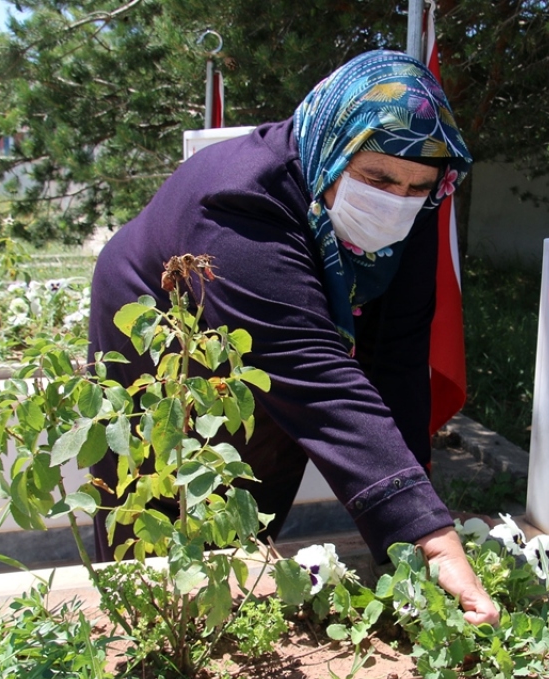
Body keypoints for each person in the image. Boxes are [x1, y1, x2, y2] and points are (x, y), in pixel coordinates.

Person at [89, 50, 498, 625]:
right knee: (154, 490)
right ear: (333, 150)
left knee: (261, 467)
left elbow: (398, 358)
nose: (394, 202)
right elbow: (313, 374)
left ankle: (230, 600)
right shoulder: (238, 205)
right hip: (152, 327)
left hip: (281, 343)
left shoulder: (415, 198)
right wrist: (430, 536)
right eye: (376, 178)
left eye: (415, 187)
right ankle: (152, 634)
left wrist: (414, 518)